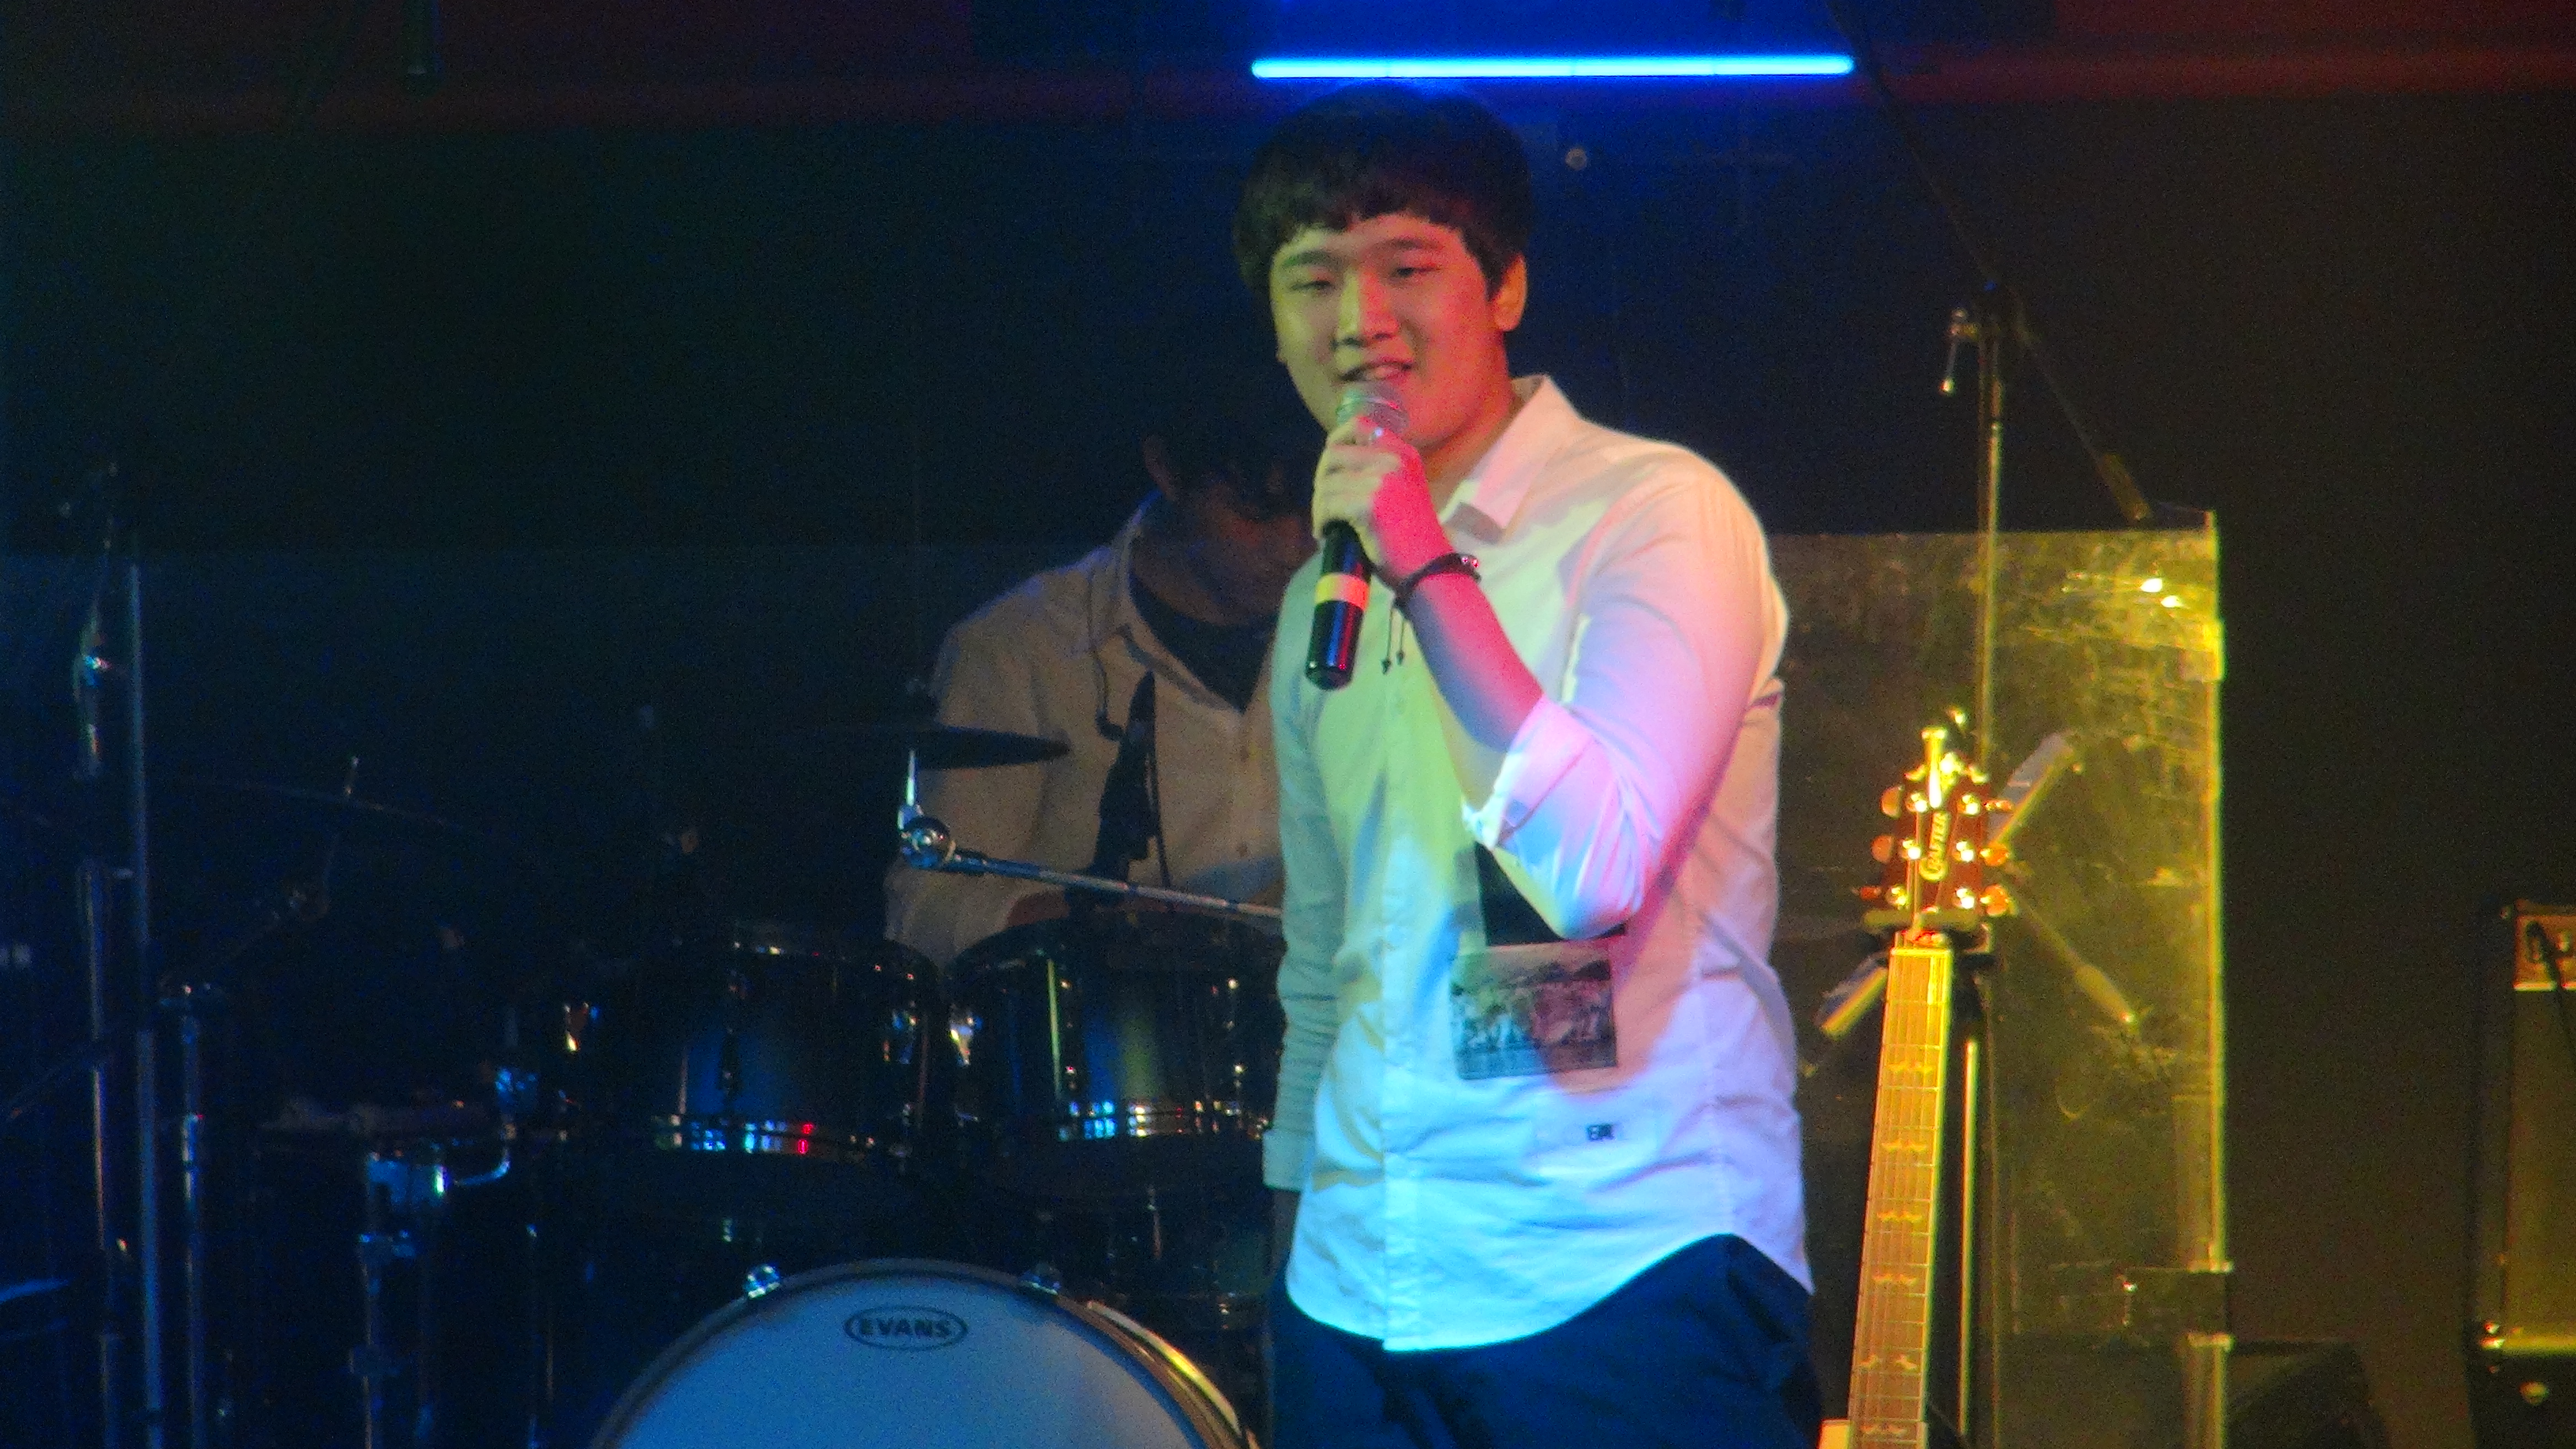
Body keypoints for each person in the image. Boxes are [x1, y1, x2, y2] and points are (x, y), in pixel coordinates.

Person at [1246, 83, 1818, 1447]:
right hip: (1356, 1287)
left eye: (1405, 268)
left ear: (1504, 287)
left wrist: (1426, 563)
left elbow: (1591, 875)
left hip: (1622, 1264)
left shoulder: (1652, 515)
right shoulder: (1316, 599)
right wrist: (1290, 1253)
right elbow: (1324, 962)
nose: (1358, 320)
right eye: (1311, 280)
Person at [883, 384, 1319, 969]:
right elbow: (926, 910)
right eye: (1254, 512)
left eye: (1315, 508)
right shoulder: (1020, 648)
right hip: (1103, 1014)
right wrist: (1129, 927)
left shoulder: (1368, 629)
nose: (1294, 547)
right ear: (1167, 470)